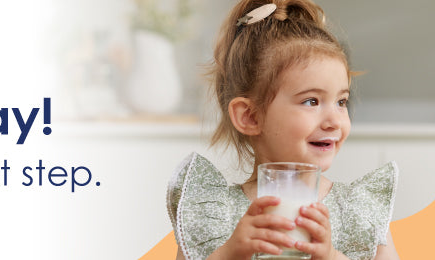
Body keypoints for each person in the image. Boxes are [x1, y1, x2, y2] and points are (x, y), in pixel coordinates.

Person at [166, 0, 398, 259]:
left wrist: (331, 256)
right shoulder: (214, 213)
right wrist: (232, 253)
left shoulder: (360, 211)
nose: (334, 120)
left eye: (341, 101)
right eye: (311, 101)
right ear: (250, 116)